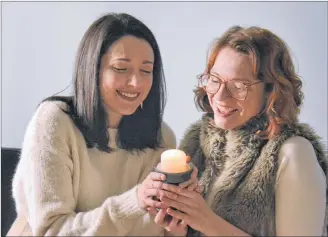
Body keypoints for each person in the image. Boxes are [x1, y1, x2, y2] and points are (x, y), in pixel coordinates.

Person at [9, 13, 199, 236]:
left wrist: (176, 221)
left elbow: (153, 230)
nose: (136, 83)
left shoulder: (162, 137)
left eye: (146, 71)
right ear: (92, 69)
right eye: (120, 68)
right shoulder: (54, 121)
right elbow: (51, 231)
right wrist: (135, 201)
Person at [153, 26, 328, 236]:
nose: (220, 97)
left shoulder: (293, 154)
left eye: (238, 86)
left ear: (271, 91)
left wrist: (206, 221)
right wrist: (177, 227)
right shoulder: (197, 143)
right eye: (214, 79)